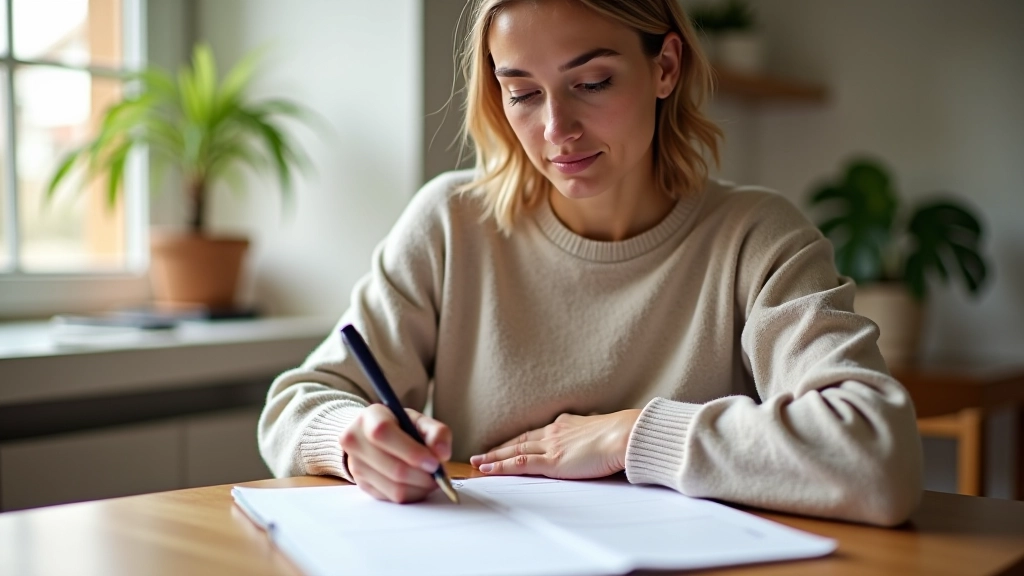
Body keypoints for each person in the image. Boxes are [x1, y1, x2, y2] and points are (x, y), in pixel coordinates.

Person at [259, 0, 923, 526]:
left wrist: (631, 436)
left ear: (666, 67)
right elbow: (295, 404)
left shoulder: (757, 238)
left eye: (592, 82)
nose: (557, 129)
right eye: (522, 93)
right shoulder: (451, 224)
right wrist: (354, 439)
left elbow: (874, 453)